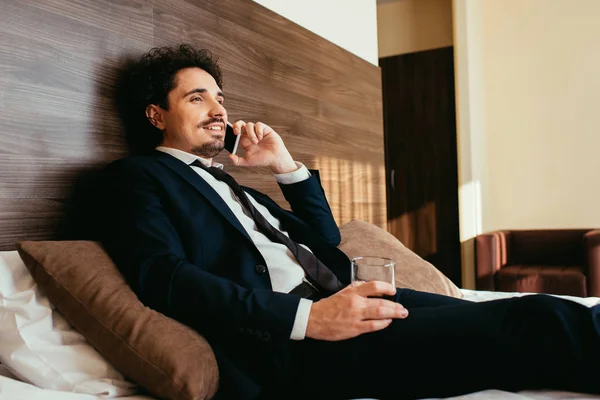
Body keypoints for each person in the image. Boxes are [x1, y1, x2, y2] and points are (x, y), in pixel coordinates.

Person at [91, 44, 600, 400]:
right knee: (538, 325)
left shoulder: (232, 186)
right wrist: (308, 321)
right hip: (299, 340)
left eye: (220, 97)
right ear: (156, 114)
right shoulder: (137, 177)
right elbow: (163, 276)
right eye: (197, 97)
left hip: (349, 298)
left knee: (538, 315)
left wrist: (284, 165)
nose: (219, 109)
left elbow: (326, 240)